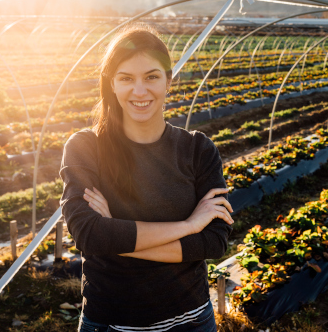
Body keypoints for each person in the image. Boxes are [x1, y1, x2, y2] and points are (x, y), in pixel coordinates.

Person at [59, 24, 234, 332]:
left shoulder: (197, 149)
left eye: (151, 77)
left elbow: (214, 241)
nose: (139, 91)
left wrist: (114, 233)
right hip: (112, 323)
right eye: (126, 78)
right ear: (111, 84)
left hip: (193, 320)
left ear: (169, 80)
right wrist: (189, 226)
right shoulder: (86, 148)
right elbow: (89, 235)